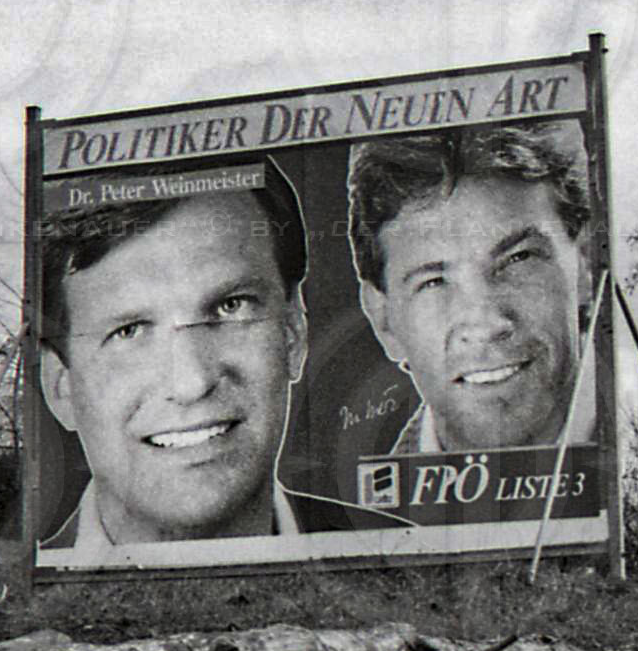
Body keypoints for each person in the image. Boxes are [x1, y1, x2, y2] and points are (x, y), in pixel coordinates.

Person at [35, 166, 399, 549]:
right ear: (61, 387)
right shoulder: (17, 603)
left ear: (293, 334)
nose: (192, 383)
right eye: (129, 331)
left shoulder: (405, 559)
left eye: (231, 306)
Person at [344, 119, 600, 455]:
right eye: (433, 282)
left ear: (584, 264)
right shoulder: (355, 505)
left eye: (518, 258)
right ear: (384, 320)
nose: (485, 323)